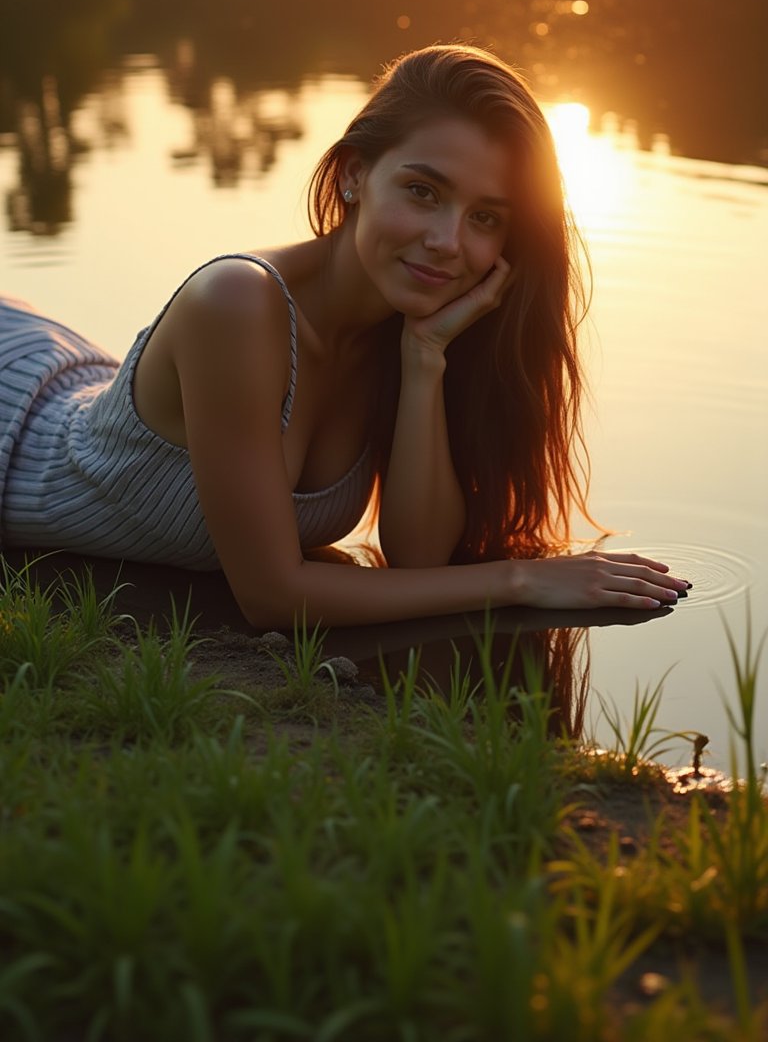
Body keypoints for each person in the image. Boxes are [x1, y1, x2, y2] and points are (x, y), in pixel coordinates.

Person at [0, 44, 689, 628]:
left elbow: (419, 558)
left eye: (485, 218)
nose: (447, 241)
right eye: (423, 191)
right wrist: (519, 581)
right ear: (356, 173)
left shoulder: (403, 333)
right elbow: (271, 595)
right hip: (17, 417)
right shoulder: (237, 303)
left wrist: (425, 361)